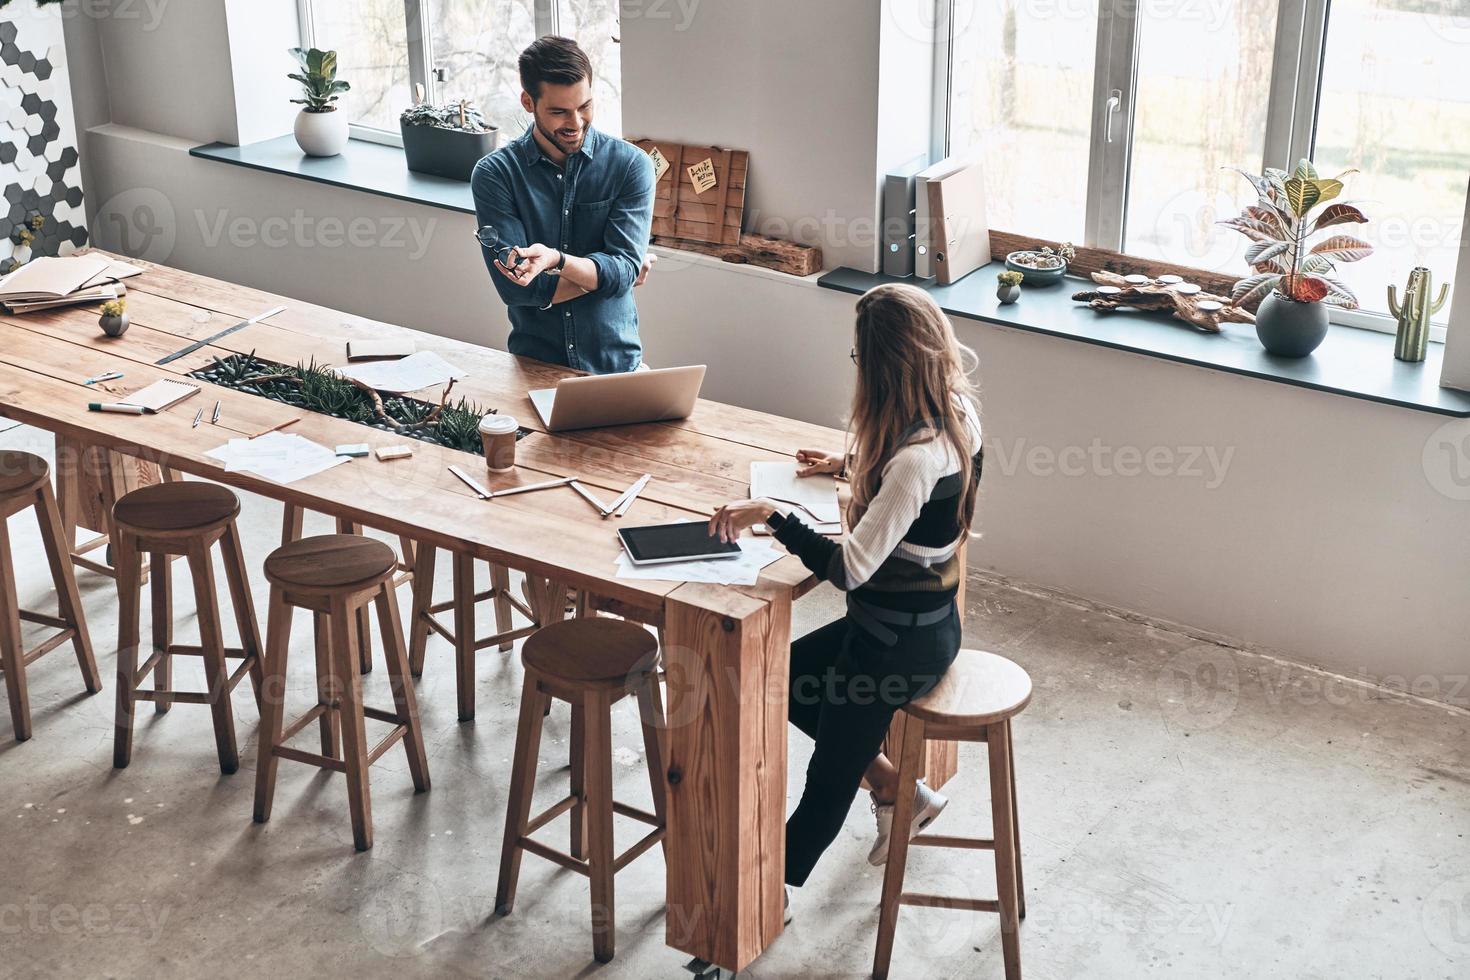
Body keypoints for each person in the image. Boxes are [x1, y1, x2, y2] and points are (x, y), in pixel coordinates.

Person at [709, 283, 983, 917]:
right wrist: (848, 462)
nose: (855, 369)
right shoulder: (958, 419)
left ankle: (758, 903)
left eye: (859, 359)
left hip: (892, 647)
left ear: (884, 368)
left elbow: (853, 568)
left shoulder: (915, 462)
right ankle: (896, 790)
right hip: (922, 627)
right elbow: (913, 489)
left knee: (827, 778)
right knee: (786, 678)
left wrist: (775, 516)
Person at [471, 36, 656, 375]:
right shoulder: (495, 175)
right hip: (534, 368)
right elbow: (517, 288)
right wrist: (607, 278)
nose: (576, 122)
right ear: (528, 101)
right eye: (559, 111)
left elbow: (622, 272)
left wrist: (558, 261)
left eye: (584, 106)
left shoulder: (631, 167)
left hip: (616, 368)